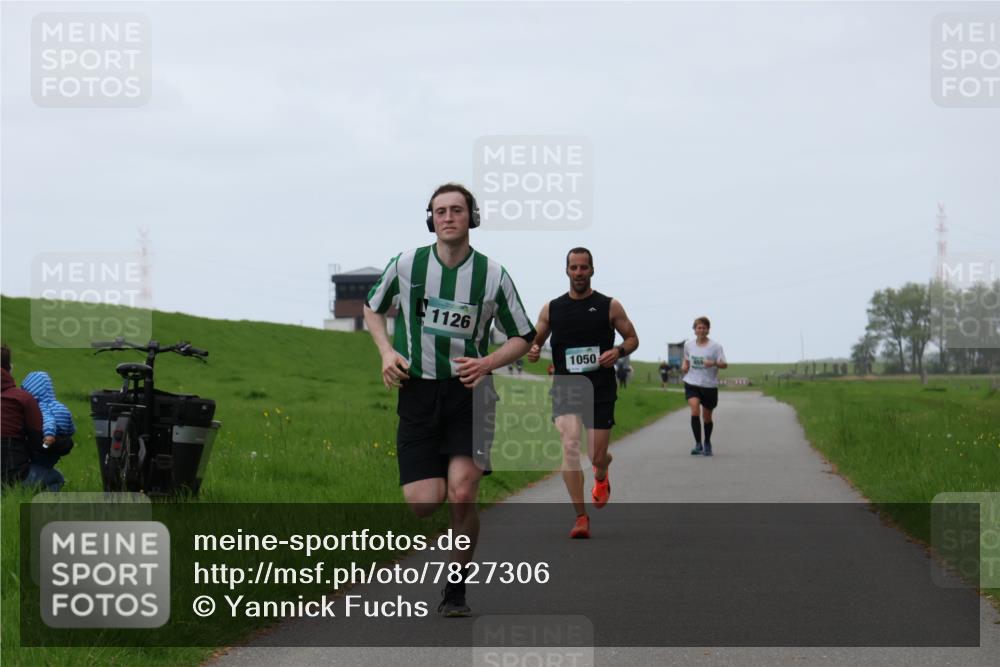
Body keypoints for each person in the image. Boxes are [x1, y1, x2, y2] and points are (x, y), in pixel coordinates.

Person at [363, 183, 535, 616]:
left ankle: (455, 589)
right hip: (417, 392)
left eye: (457, 210)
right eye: (440, 211)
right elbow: (372, 308)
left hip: (470, 393)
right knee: (424, 503)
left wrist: (488, 362)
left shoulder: (493, 275)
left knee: (462, 494)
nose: (448, 217)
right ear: (430, 218)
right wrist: (387, 352)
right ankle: (440, 479)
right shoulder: (407, 264)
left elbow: (523, 336)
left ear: (471, 217)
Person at [527, 248, 639, 539]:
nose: (578, 273)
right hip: (566, 386)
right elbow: (534, 340)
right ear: (566, 270)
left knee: (596, 455)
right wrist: (535, 348)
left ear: (592, 270)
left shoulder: (609, 306)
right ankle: (580, 517)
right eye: (574, 268)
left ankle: (602, 473)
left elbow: (632, 338)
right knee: (570, 445)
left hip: (600, 388)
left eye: (584, 268)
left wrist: (618, 351)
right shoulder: (551, 308)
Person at [21, 371, 75, 491]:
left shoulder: (40, 407)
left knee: (41, 468)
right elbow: (71, 425)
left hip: (45, 445)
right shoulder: (61, 407)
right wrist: (68, 434)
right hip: (56, 450)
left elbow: (48, 420)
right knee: (49, 470)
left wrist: (49, 434)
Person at [682, 316, 728, 456]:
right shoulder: (688, 345)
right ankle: (698, 444)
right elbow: (686, 359)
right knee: (695, 411)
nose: (701, 330)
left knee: (707, 417)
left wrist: (713, 363)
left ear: (708, 330)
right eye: (698, 327)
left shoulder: (716, 347)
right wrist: (685, 365)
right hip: (692, 382)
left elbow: (724, 364)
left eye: (704, 327)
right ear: (695, 330)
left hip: (709, 385)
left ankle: (707, 442)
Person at [1, 343, 42, 487]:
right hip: (13, 476)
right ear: (10, 368)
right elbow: (38, 443)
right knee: (55, 477)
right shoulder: (23, 398)